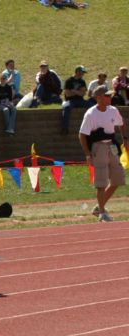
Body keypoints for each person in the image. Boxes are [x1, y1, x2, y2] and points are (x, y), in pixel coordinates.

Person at [78, 86, 127, 222]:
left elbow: (121, 124)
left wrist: (125, 139)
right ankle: (102, 213)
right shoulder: (90, 114)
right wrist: (88, 154)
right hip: (98, 147)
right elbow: (82, 135)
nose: (110, 97)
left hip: (111, 146)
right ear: (98, 98)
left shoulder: (113, 110)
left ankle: (99, 207)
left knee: (118, 179)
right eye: (107, 95)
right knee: (101, 182)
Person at [61, 65, 92, 134]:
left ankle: (92, 127)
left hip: (80, 100)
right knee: (66, 108)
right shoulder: (68, 81)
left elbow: (83, 94)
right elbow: (67, 94)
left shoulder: (82, 81)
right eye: (82, 72)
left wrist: (73, 91)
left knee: (92, 106)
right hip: (70, 101)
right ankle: (64, 129)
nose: (83, 74)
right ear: (77, 72)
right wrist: (79, 91)